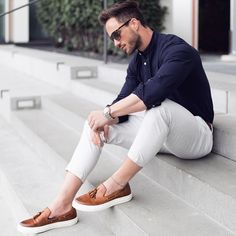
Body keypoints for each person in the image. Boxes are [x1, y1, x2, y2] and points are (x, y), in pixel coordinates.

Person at [17, 0, 214, 234]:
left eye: (117, 35)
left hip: (196, 135)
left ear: (134, 23)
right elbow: (122, 101)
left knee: (160, 109)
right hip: (159, 135)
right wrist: (106, 119)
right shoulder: (137, 62)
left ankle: (117, 185)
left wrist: (109, 112)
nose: (116, 43)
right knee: (97, 125)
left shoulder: (178, 50)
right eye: (111, 38)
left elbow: (152, 94)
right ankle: (61, 205)